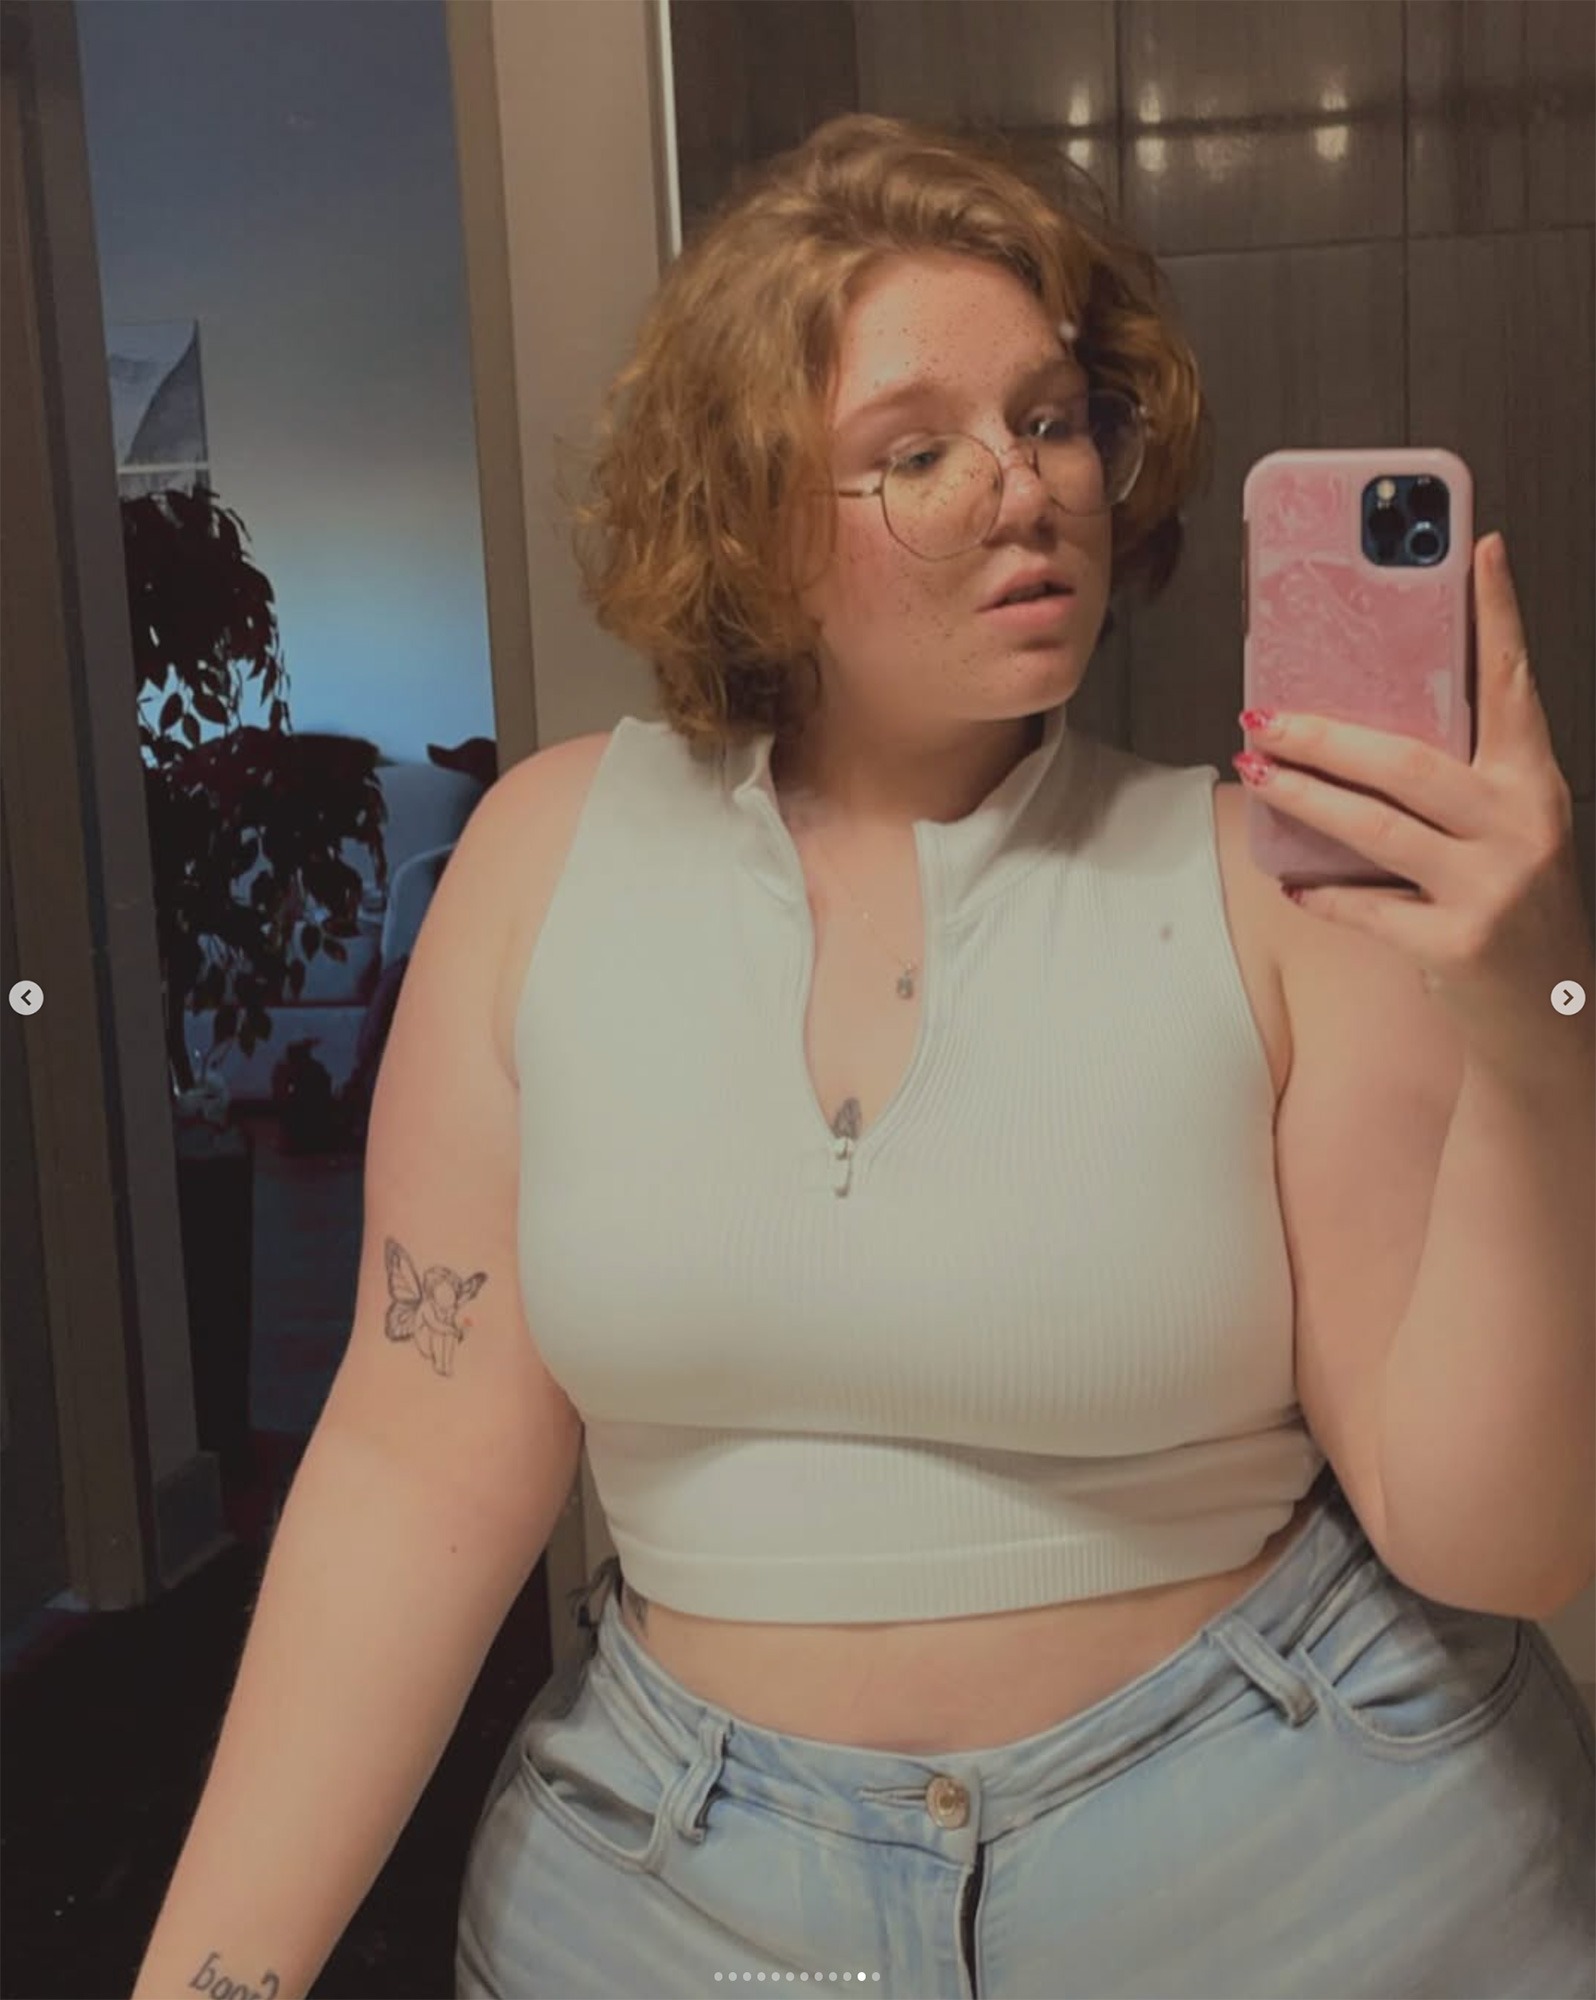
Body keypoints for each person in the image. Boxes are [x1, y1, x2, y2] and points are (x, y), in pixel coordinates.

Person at [132, 114, 1593, 2000]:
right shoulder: (544, 862)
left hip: (1302, 1867)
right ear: (746, 519)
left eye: (1052, 419)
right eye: (917, 451)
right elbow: (413, 1474)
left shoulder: (1275, 893)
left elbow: (1499, 1542)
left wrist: (1540, 1022)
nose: (1025, 485)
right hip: (679, 1900)